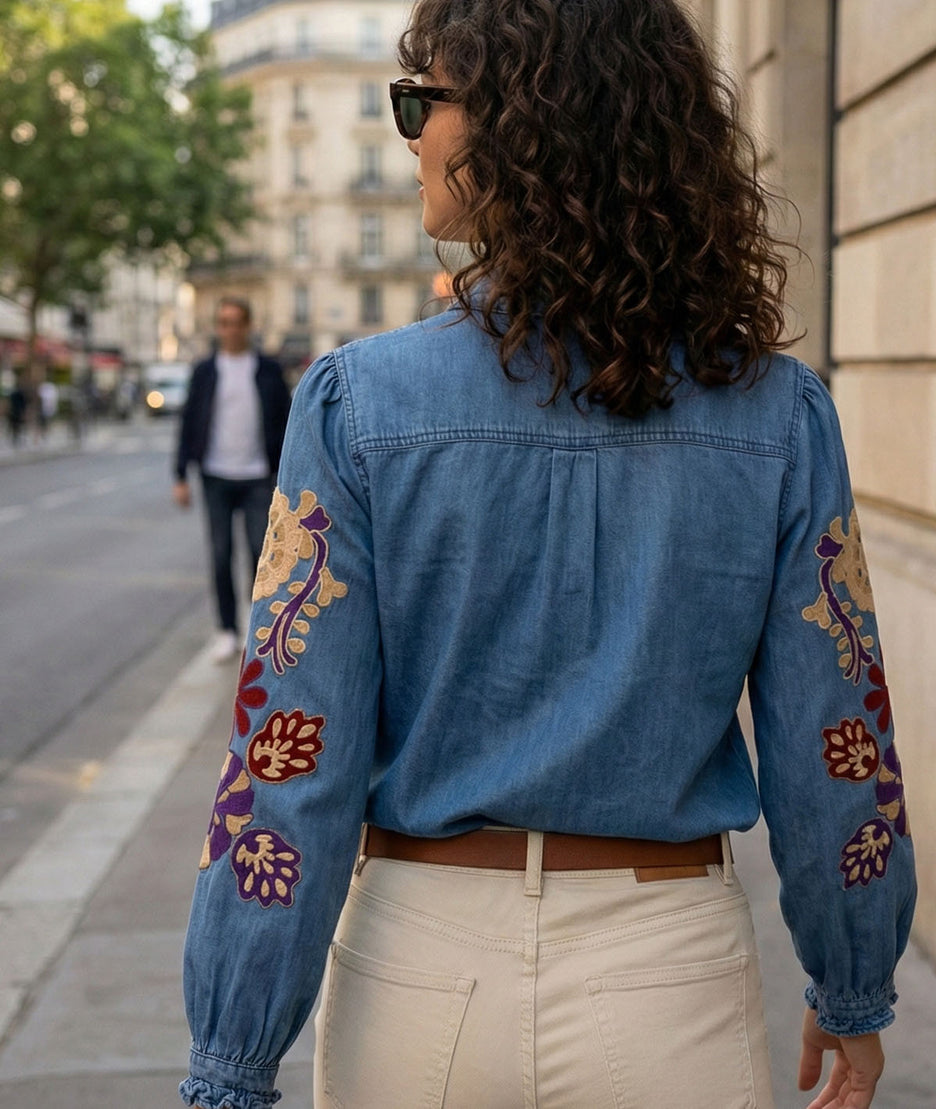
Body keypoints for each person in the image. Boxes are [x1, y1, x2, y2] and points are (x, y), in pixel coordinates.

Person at [180, 2, 916, 1107]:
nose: (412, 133)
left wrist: (231, 1060)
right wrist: (851, 982)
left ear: (523, 124)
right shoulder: (778, 413)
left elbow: (290, 762)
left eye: (424, 100)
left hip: (416, 979)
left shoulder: (358, 403)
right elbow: (835, 740)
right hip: (669, 979)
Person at [174, 297, 291, 663]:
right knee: (221, 554)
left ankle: (255, 630)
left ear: (248, 325)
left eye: (237, 322)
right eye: (224, 322)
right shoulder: (205, 371)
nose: (231, 329)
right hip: (215, 475)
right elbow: (189, 421)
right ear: (217, 327)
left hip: (259, 476)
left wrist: (289, 471)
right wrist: (180, 474)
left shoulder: (268, 369)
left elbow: (288, 423)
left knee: (261, 556)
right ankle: (226, 630)